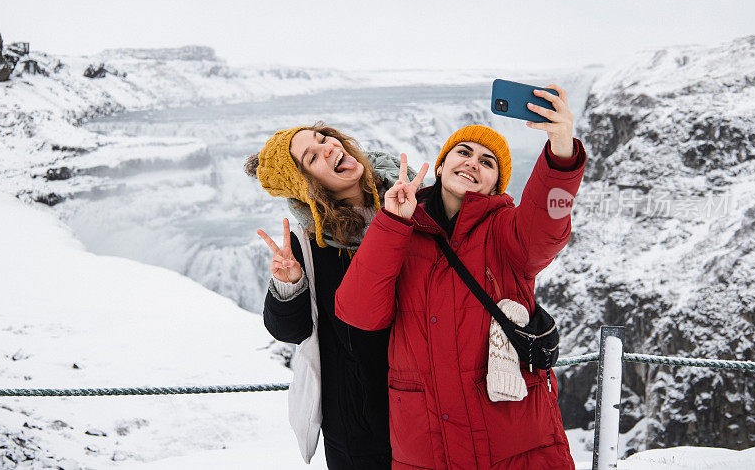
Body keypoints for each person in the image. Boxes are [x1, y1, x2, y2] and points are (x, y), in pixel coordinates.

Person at [335, 85, 585, 469]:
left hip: (514, 441)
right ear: (440, 165)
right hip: (426, 442)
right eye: (463, 152)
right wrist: (390, 224)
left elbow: (549, 221)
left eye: (488, 162)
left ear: (496, 184)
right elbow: (358, 311)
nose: (472, 163)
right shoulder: (399, 231)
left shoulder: (508, 234)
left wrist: (561, 151)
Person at [244, 122, 427, 469]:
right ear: (308, 185)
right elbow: (291, 331)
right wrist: (289, 285)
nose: (328, 147)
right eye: (312, 156)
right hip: (360, 421)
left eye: (323, 139)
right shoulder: (309, 244)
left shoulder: (414, 204)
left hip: (429, 400)